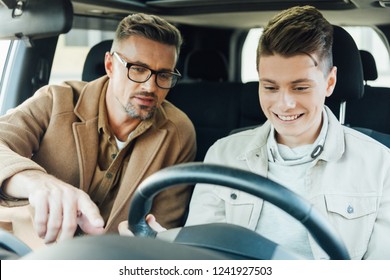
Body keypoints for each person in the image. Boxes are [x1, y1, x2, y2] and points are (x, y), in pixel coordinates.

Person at [122, 6, 390, 259]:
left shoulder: (380, 165)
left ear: (329, 82)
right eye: (270, 87)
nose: (284, 104)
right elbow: (205, 254)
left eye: (300, 87)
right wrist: (164, 247)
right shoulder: (223, 155)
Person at [0, 13, 196, 246]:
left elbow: (164, 229)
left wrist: (144, 243)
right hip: (34, 252)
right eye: (138, 69)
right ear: (110, 65)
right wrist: (38, 183)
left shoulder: (179, 133)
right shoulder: (56, 101)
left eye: (163, 75)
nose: (150, 86)